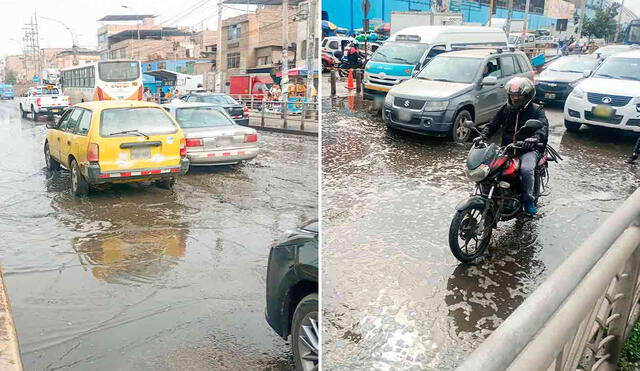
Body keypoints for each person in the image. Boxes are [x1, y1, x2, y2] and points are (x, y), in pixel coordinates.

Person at [480, 76, 549, 216]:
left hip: (527, 149)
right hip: (507, 148)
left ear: (527, 96)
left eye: (518, 96)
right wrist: (483, 135)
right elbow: (493, 124)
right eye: (512, 95)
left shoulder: (536, 111)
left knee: (526, 169)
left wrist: (534, 138)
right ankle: (488, 195)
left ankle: (528, 200)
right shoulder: (506, 109)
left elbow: (542, 128)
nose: (515, 99)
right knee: (487, 167)